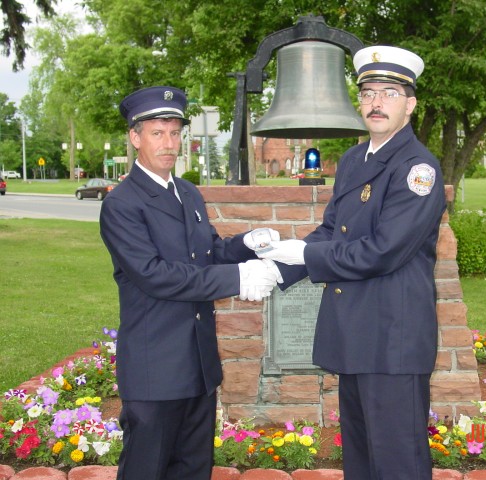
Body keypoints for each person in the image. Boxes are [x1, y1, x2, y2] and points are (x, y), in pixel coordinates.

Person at [246, 46, 446, 479]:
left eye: (389, 93)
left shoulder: (418, 170)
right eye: (369, 92)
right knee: (360, 456)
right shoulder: (357, 160)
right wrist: (279, 263)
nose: (376, 102)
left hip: (393, 339)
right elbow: (332, 231)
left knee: (396, 461)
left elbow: (383, 250)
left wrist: (307, 255)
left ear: (410, 105)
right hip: (356, 332)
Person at [100, 85, 280, 480]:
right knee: (147, 470)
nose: (169, 143)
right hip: (156, 368)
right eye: (157, 133)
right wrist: (237, 278)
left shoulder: (186, 192)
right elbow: (154, 275)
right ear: (135, 138)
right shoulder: (122, 204)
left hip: (197, 366)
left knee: (194, 470)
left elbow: (207, 251)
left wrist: (246, 246)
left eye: (175, 132)